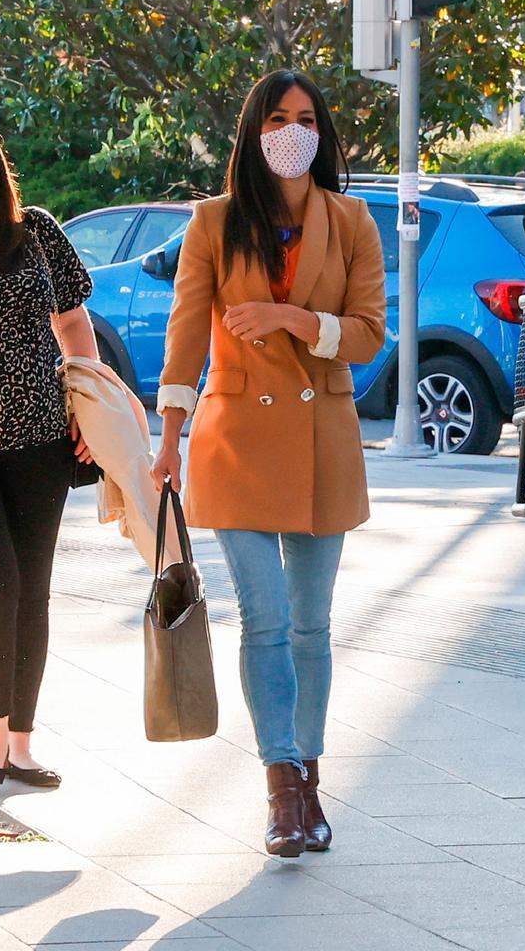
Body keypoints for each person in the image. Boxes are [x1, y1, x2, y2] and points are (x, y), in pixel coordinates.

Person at [151, 69, 386, 857]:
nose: (294, 129)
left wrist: (290, 316)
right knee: (267, 619)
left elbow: (366, 335)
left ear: (323, 133)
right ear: (254, 130)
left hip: (323, 440)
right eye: (279, 117)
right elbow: (185, 334)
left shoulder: (352, 219)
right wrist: (168, 438)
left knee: (312, 626)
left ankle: (311, 780)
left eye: (307, 117)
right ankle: (282, 791)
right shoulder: (214, 222)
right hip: (236, 446)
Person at [0, 110, 97, 789]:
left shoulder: (39, 231)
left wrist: (89, 400)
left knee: (33, 590)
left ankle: (20, 746)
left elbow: (73, 321)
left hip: (43, 436)